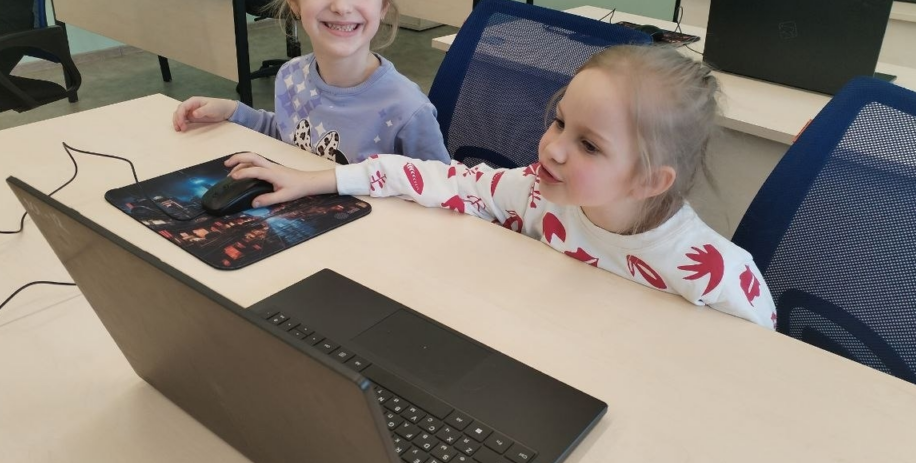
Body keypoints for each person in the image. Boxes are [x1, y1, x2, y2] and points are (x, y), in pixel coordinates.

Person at [221, 44, 778, 329]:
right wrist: (317, 180)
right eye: (559, 121)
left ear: (649, 180)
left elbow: (758, 377)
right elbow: (436, 177)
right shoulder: (538, 194)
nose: (552, 148)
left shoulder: (715, 275)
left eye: (589, 145)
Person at [172, 0, 449, 164]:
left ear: (383, 4)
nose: (341, 6)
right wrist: (233, 111)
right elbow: (287, 134)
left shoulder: (407, 109)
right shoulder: (291, 76)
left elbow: (442, 188)